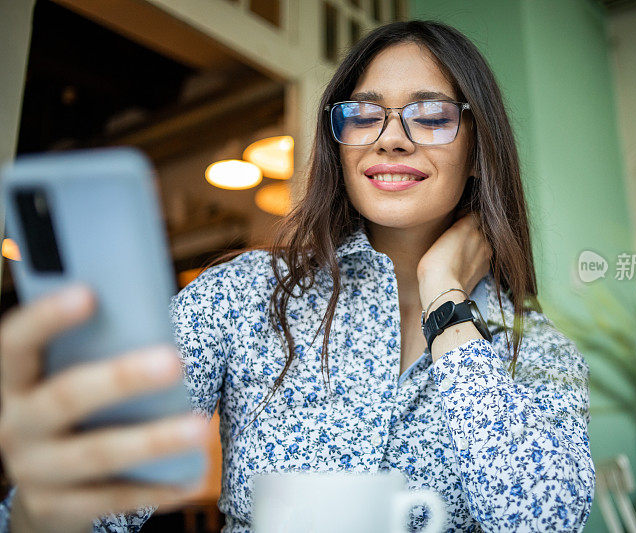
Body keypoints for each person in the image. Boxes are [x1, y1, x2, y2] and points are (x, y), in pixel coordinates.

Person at [0, 20, 595, 532]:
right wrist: (44, 506)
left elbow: (541, 520)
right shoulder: (245, 296)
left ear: (477, 150)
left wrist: (446, 297)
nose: (389, 139)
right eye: (363, 116)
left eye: (431, 116)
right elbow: (98, 504)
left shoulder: (535, 348)